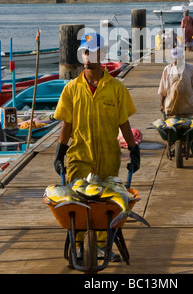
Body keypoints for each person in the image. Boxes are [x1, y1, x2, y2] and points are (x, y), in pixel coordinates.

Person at [53, 32, 140, 262]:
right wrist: (60, 152)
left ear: (101, 54)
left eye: (93, 51)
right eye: (85, 51)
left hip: (109, 158)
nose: (88, 55)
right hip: (79, 157)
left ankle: (102, 245)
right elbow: (66, 124)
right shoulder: (71, 89)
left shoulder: (116, 88)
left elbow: (124, 122)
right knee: (78, 205)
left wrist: (134, 149)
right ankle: (79, 247)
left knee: (107, 206)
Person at [158, 46, 193, 117]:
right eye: (176, 59)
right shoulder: (167, 70)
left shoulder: (191, 69)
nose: (178, 61)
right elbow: (163, 89)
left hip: (187, 106)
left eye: (179, 58)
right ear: (172, 58)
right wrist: (161, 104)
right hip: (171, 106)